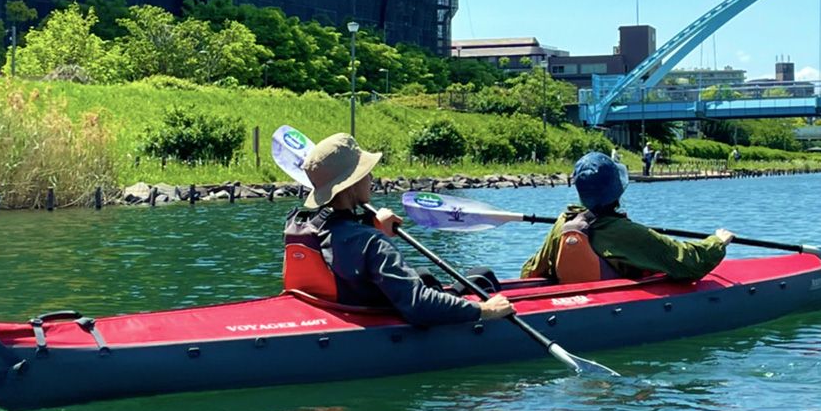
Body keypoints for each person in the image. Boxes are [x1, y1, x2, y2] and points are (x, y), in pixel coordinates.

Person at [286, 133, 514, 326]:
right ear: (352, 183)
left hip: (333, 304)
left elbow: (341, 238)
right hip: (376, 316)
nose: (371, 177)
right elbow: (418, 305)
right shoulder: (371, 242)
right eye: (366, 172)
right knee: (482, 275)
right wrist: (484, 310)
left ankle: (455, 293)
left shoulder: (303, 226)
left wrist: (369, 223)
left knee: (424, 275)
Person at [521, 152, 732, 283]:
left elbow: (530, 271)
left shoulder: (563, 223)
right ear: (617, 191)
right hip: (607, 308)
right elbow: (687, 262)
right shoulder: (624, 232)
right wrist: (717, 242)